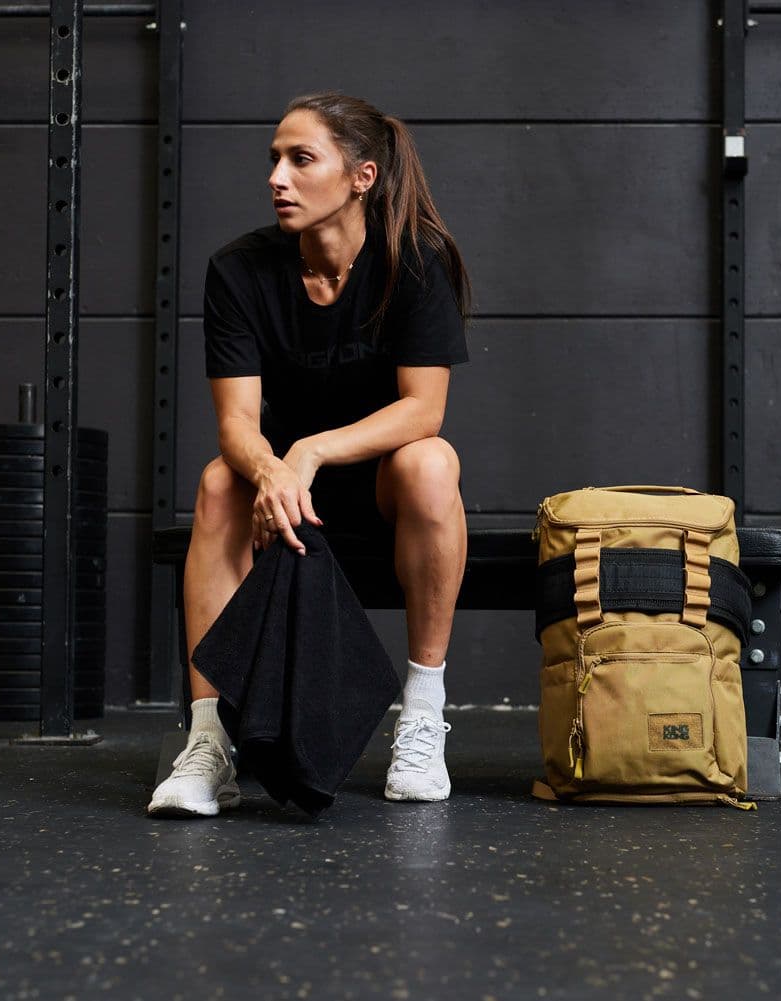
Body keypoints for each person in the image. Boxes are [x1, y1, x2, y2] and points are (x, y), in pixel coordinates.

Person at [148, 92, 472, 817]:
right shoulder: (239, 270)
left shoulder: (415, 259)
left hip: (378, 487)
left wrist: (310, 450)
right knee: (216, 482)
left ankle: (422, 714)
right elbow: (235, 420)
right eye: (273, 160)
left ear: (361, 177)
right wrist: (271, 471)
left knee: (433, 461)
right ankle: (207, 746)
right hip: (283, 497)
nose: (277, 178)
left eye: (301, 159)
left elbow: (425, 409)